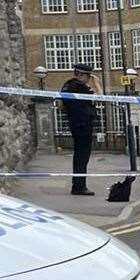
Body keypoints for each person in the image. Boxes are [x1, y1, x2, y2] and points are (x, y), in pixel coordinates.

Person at [60, 63, 98, 196]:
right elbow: (100, 96)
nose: (89, 79)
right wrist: (96, 82)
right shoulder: (79, 87)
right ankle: (79, 187)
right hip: (83, 125)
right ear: (82, 75)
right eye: (88, 77)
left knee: (79, 157)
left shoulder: (68, 85)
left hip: (76, 124)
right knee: (82, 157)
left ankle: (78, 185)